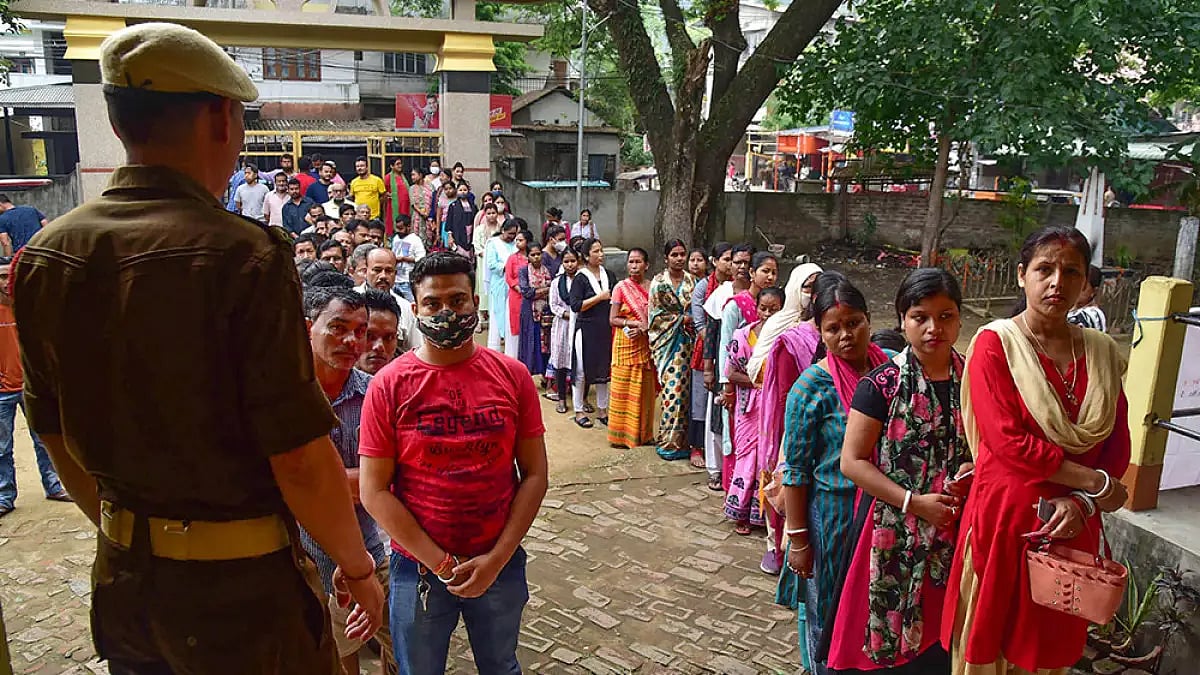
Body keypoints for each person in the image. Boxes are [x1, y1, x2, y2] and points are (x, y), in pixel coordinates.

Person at [11, 22, 382, 673]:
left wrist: (128, 535)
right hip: (240, 601)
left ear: (120, 122)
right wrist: (358, 566)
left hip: (126, 589)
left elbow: (56, 434)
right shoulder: (245, 255)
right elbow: (298, 456)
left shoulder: (46, 256)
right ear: (219, 118)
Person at [943, 226, 1130, 675]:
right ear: (1022, 275)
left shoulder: (1102, 352)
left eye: (1071, 272)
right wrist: (1096, 485)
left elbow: (1116, 443)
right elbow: (1010, 444)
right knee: (990, 645)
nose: (1057, 283)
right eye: (1044, 269)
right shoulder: (995, 345)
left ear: (1085, 284)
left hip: (1070, 527)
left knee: (1048, 647)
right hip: (1007, 521)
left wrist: (1083, 503)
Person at [358, 252, 548, 675]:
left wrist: (497, 558)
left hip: (499, 561)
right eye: (433, 303)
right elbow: (373, 491)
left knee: (501, 667)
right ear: (415, 309)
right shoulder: (389, 385)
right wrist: (441, 563)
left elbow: (535, 474)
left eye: (458, 301)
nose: (446, 312)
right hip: (418, 570)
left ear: (475, 301)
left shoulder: (513, 376)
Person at [830, 269, 974, 673]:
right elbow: (852, 462)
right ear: (902, 322)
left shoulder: (978, 380)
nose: (934, 328)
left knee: (947, 643)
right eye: (920, 317)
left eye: (945, 316)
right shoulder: (881, 386)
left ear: (960, 318)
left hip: (959, 529)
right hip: (892, 531)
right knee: (889, 653)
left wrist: (971, 468)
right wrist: (916, 502)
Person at [780, 272, 891, 675]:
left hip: (885, 514)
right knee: (829, 614)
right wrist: (799, 541)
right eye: (834, 328)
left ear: (868, 320)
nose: (846, 335)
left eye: (854, 323)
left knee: (877, 614)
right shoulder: (811, 388)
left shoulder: (891, 374)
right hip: (834, 518)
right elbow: (795, 471)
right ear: (819, 332)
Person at [298, 287, 398, 675]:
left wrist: (314, 483)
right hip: (303, 558)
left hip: (370, 549)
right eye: (338, 328)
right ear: (309, 328)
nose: (351, 341)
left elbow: (388, 478)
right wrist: (362, 481)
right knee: (334, 657)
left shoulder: (374, 393)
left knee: (401, 643)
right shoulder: (286, 398)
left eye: (360, 330)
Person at [0, 255, 70, 517]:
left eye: (10, 275)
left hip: (31, 385)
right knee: (2, 447)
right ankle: (5, 496)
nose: (7, 282)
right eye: (2, 276)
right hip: (3, 392)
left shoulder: (28, 307)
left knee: (46, 439)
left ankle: (53, 486)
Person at [722, 286, 785, 536]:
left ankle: (765, 514)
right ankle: (741, 512)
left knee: (768, 458)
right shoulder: (742, 335)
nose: (767, 314)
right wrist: (761, 382)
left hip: (774, 409)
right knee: (747, 458)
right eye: (763, 308)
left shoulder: (787, 338)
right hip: (749, 409)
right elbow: (731, 372)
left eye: (774, 309)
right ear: (756, 307)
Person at [718, 250, 777, 482]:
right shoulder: (736, 306)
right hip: (740, 387)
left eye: (774, 272)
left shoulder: (779, 314)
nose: (770, 276)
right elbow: (726, 347)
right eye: (765, 271)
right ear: (752, 273)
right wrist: (727, 387)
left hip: (767, 395)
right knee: (736, 437)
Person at [647, 240, 697, 460]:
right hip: (667, 344)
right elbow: (655, 316)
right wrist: (681, 319)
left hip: (688, 345)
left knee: (686, 395)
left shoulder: (692, 281)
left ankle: (683, 441)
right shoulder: (658, 283)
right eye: (674, 255)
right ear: (666, 258)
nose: (679, 258)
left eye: (682, 254)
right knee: (673, 392)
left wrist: (692, 320)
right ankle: (668, 442)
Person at [691, 243, 734, 485]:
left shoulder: (752, 293)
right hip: (713, 356)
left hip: (738, 362)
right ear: (715, 261)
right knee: (709, 409)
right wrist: (713, 362)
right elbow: (705, 327)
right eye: (729, 260)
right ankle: (712, 464)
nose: (733, 265)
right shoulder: (709, 291)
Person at [607, 248, 656, 449]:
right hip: (625, 345)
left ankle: (644, 435)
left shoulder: (653, 287)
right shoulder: (621, 287)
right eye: (631, 262)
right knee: (623, 391)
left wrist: (645, 330)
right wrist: (634, 325)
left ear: (646, 265)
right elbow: (612, 319)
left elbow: (657, 317)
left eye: (638, 262)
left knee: (644, 392)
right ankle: (620, 437)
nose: (634, 266)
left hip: (645, 346)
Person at [569, 238, 617, 429]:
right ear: (587, 255)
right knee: (581, 369)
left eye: (601, 250)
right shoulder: (580, 278)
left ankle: (603, 410)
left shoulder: (609, 275)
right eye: (596, 251)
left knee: (603, 371)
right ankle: (579, 409)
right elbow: (576, 305)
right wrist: (599, 298)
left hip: (604, 328)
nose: (601, 254)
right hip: (586, 329)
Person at [354, 248, 421, 353]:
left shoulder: (406, 308)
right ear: (365, 271)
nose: (383, 276)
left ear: (395, 273)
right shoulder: (351, 301)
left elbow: (415, 349)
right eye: (377, 270)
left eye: (389, 271)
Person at [547, 248, 580, 414]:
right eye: (566, 261)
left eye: (573, 261)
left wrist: (577, 315)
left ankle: (581, 399)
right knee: (560, 362)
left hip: (580, 325)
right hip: (562, 325)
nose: (569, 265)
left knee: (579, 363)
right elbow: (553, 305)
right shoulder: (556, 282)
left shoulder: (584, 280)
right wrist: (568, 314)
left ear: (578, 261)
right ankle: (561, 398)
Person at [518, 238, 552, 379]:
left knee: (546, 345)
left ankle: (546, 375)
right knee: (530, 342)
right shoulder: (524, 271)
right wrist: (546, 289)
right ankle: (526, 376)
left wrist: (538, 291)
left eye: (538, 254)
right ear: (528, 256)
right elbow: (527, 292)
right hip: (530, 313)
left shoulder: (547, 270)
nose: (536, 257)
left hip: (546, 313)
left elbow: (553, 288)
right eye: (533, 254)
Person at [485, 221, 519, 356]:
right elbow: (492, 264)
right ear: (503, 230)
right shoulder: (493, 243)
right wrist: (508, 266)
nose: (512, 237)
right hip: (499, 283)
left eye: (514, 234)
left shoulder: (516, 244)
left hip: (514, 285)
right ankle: (495, 351)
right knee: (496, 313)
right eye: (510, 233)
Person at [472, 203, 503, 333]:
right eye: (488, 213)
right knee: (482, 290)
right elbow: (476, 246)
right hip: (483, 262)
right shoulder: (479, 229)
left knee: (495, 291)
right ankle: (479, 319)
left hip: (497, 265)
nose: (491, 216)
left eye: (493, 213)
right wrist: (487, 255)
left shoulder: (501, 228)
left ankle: (494, 321)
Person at [357, 289, 402, 375]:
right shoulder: (329, 381)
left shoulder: (411, 381)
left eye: (388, 337)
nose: (379, 346)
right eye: (369, 336)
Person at [504, 229, 531, 362]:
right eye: (517, 240)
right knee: (516, 325)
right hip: (516, 296)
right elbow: (508, 277)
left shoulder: (533, 257)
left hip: (531, 297)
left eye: (521, 240)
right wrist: (519, 288)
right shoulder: (512, 258)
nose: (517, 242)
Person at [391, 214, 426, 302]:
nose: (398, 231)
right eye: (397, 228)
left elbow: (421, 259)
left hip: (408, 280)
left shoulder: (415, 240)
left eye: (401, 228)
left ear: (409, 226)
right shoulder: (395, 238)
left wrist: (404, 259)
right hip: (395, 280)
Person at [1067, 264, 1107, 332]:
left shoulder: (1091, 314)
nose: (1076, 289)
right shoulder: (1071, 310)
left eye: (1083, 286)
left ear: (1094, 291)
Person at [444, 182, 475, 258]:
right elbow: (449, 222)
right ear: (457, 191)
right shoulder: (453, 206)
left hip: (470, 234)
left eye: (465, 190)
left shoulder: (473, 205)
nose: (463, 192)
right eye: (460, 190)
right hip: (458, 234)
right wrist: (450, 236)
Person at [383, 157, 411, 238]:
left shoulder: (403, 176)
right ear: (392, 166)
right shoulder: (388, 177)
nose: (400, 166)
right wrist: (387, 194)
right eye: (397, 164)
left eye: (400, 163)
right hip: (393, 207)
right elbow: (384, 192)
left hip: (405, 207)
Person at [408, 168, 433, 247]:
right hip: (417, 217)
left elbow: (434, 201)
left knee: (428, 239)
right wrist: (421, 212)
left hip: (429, 217)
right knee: (417, 239)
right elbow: (413, 204)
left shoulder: (430, 187)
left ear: (421, 175)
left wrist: (429, 213)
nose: (412, 177)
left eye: (414, 175)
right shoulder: (412, 188)